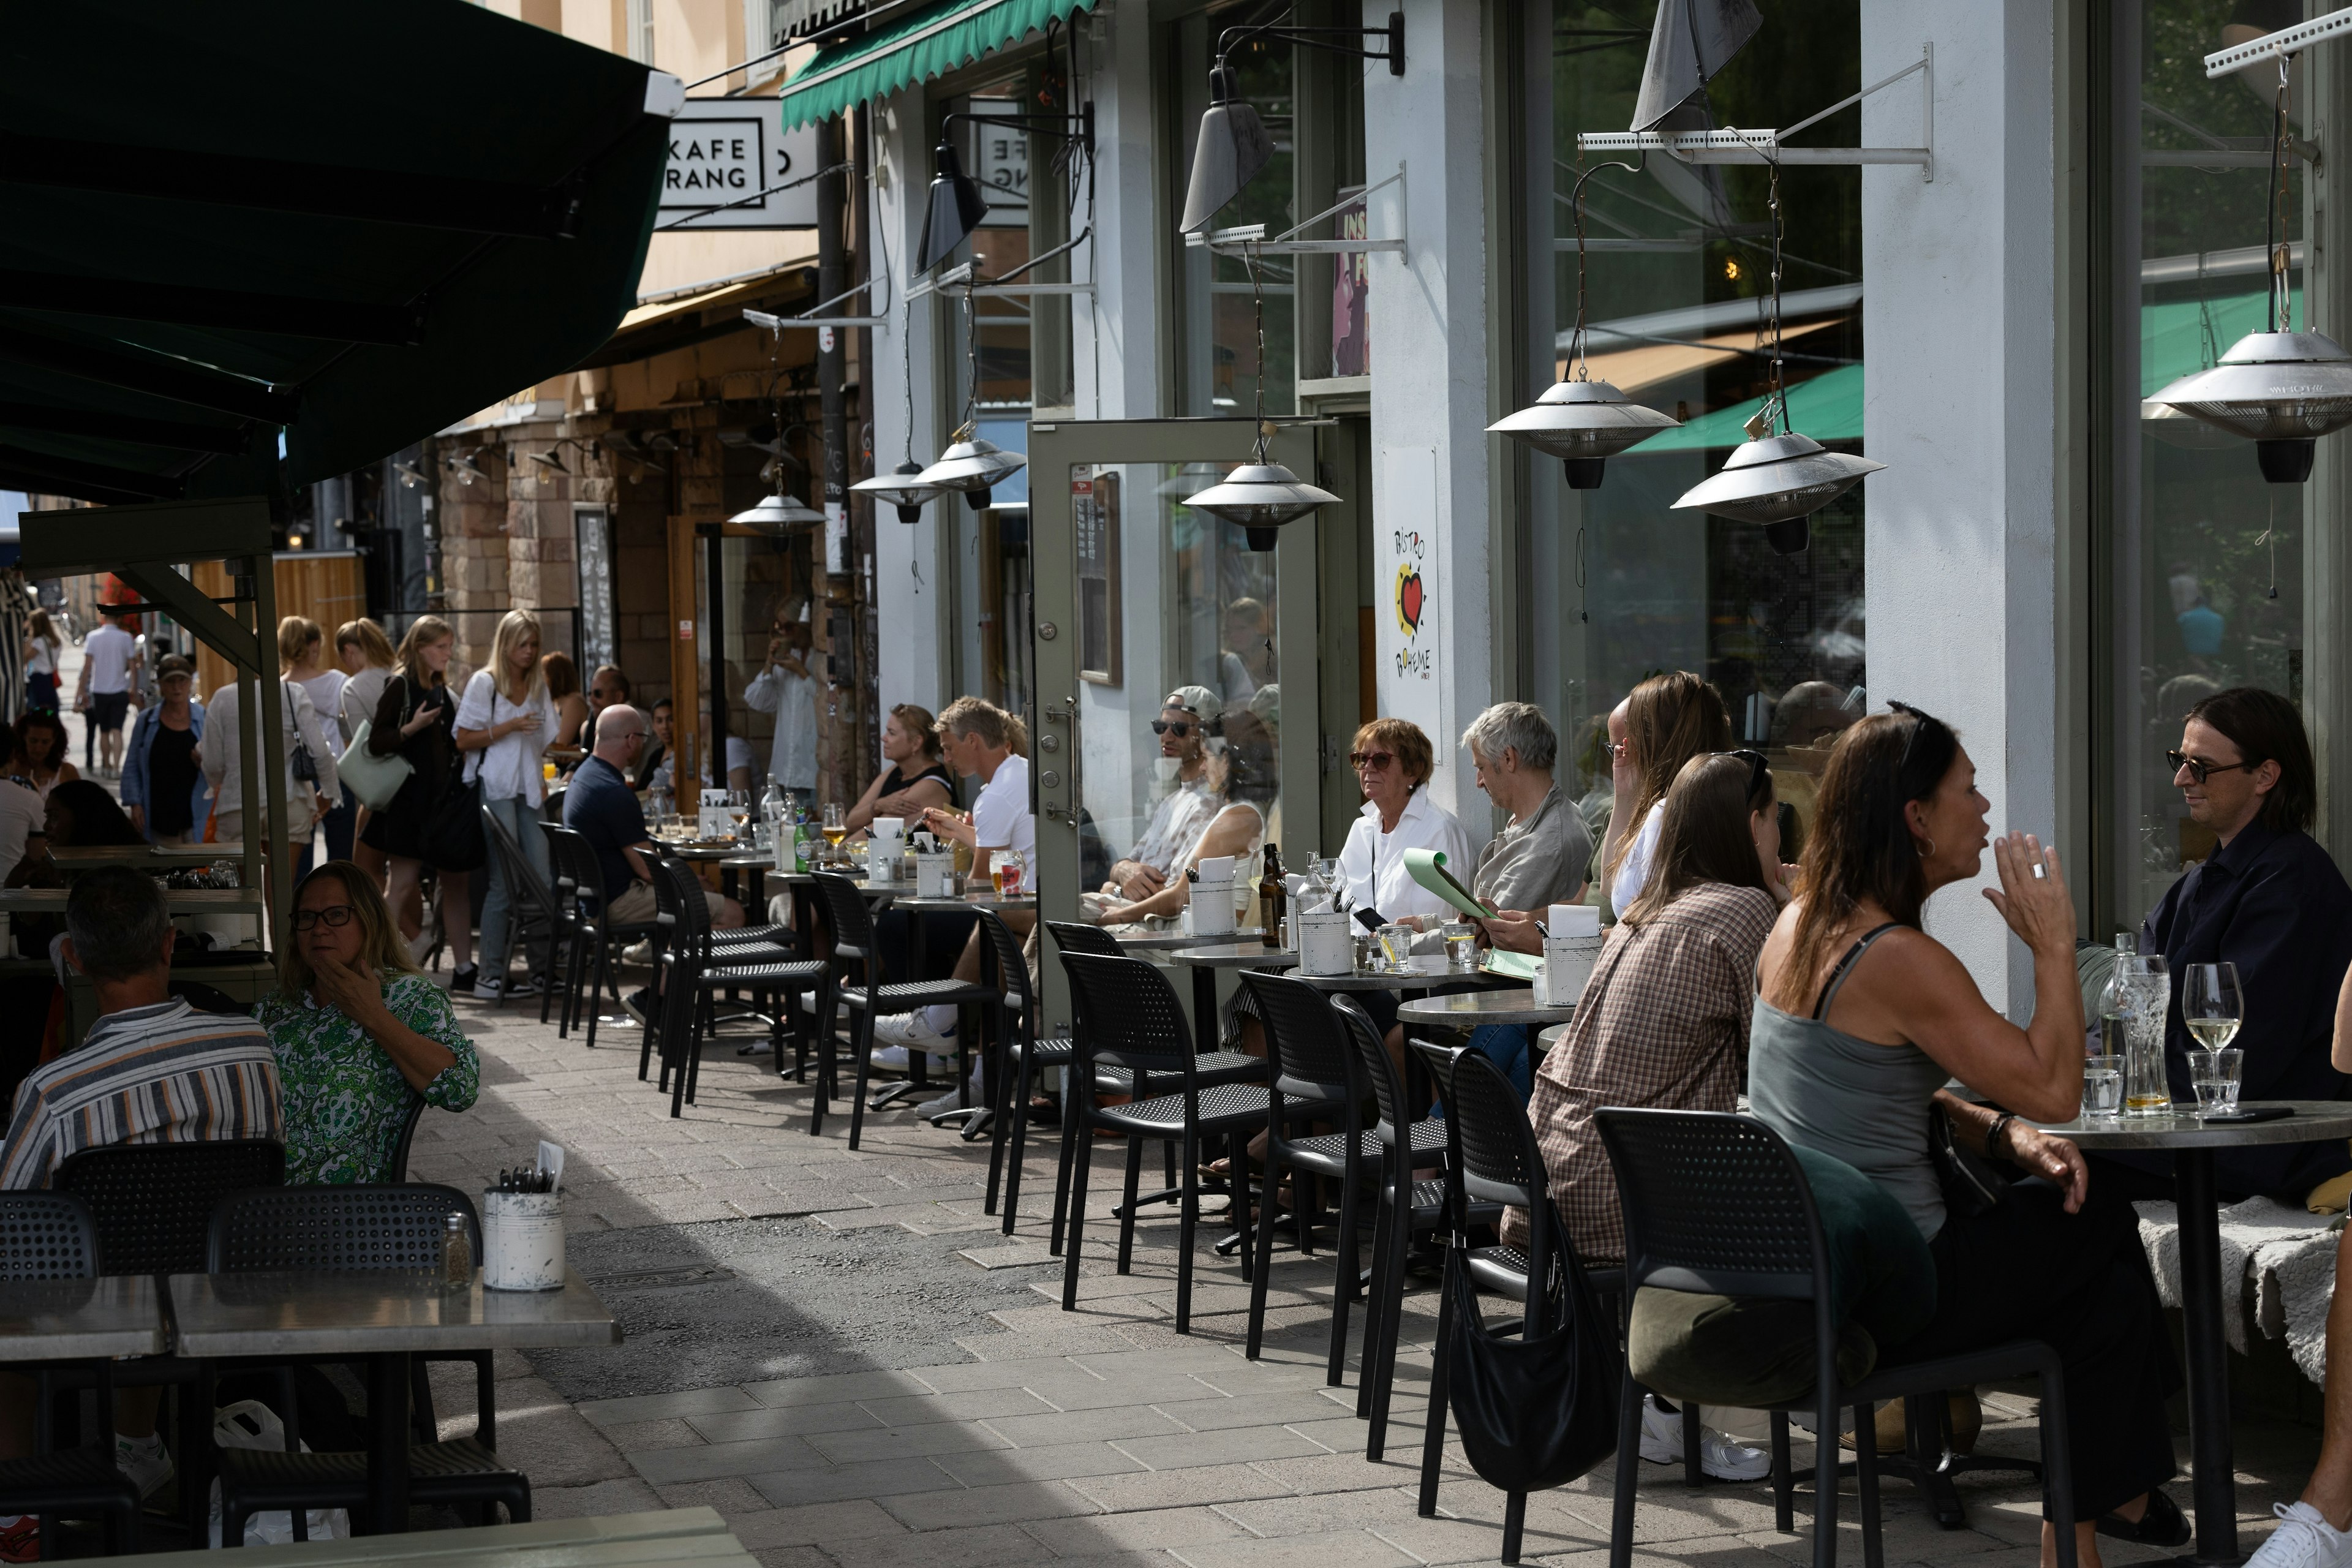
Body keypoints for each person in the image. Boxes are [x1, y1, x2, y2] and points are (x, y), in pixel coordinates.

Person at [1751, 704, 2183, 1564]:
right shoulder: (1898, 958)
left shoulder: (1800, 925)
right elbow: (2058, 1085)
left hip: (1806, 1266)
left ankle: (2098, 1521)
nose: (1985, 809)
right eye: (1968, 790)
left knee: (2094, 1282)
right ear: (1916, 817)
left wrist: (2003, 1134)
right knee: (2095, 1223)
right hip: (1895, 1287)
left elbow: (1875, 1089)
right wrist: (2054, 945)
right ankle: (2104, 1511)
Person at [1522, 751, 1781, 1477]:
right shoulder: (1746, 910)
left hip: (1555, 1178)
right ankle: (1705, 1409)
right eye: (1777, 824)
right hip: (1629, 1197)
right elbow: (1781, 1060)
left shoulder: (1647, 908)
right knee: (1809, 1204)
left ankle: (1667, 1405)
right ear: (1751, 825)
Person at [0, 867, 282, 1526]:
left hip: (102, 1313)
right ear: (170, 944)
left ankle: (13, 1509)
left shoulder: (54, 1091)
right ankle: (136, 1443)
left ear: (73, 957)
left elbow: (12, 1222)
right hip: (223, 1292)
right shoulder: (255, 1049)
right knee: (161, 1245)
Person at [2114, 687, 2352, 1204]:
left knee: (2031, 1161)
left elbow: (2243, 1057)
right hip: (2187, 1129)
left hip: (2252, 1147)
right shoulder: (2200, 884)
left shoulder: (2293, 884)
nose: (2181, 780)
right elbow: (2135, 1008)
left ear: (2265, 776)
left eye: (2201, 768)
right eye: (2180, 761)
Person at [256, 863, 479, 1185]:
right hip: (256, 1199)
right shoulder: (275, 1007)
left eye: (335, 915)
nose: (319, 929)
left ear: (369, 919)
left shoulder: (409, 997)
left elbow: (461, 1089)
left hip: (349, 1211)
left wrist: (374, 1016)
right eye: (307, 917)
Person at [873, 699, 1034, 1068]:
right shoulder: (1019, 772)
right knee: (992, 930)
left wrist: (939, 885)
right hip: (1027, 897)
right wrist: (961, 832)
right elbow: (1003, 851)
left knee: (971, 921)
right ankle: (975, 1076)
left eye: (948, 747)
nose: (946, 758)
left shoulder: (994, 796)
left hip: (1023, 903)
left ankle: (936, 1026)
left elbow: (980, 885)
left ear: (973, 740)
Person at [563, 706, 741, 1016]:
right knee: (733, 913)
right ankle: (661, 1002)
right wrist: (691, 882)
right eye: (643, 737)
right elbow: (647, 870)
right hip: (618, 900)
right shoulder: (614, 792)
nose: (644, 745)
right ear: (631, 740)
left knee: (690, 903)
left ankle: (664, 997)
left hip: (593, 898)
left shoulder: (584, 777)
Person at [361, 617, 475, 989]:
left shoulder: (441, 689)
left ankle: (464, 969)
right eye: (441, 647)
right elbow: (375, 742)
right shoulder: (400, 685)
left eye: (449, 646)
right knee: (402, 885)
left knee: (455, 884)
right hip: (409, 803)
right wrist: (414, 727)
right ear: (421, 648)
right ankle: (374, 961)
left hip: (442, 805)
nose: (448, 654)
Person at [454, 610, 561, 1001]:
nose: (530, 652)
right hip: (495, 788)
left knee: (542, 878)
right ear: (506, 644)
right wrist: (510, 727)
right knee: (504, 882)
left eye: (534, 645)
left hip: (528, 789)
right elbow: (463, 740)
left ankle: (542, 970)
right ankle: (491, 975)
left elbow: (547, 735)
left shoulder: (536, 684)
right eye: (523, 644)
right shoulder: (486, 683)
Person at [1095, 709, 1274, 927]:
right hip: (1189, 928)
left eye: (1207, 758)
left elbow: (1181, 896)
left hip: (1193, 934)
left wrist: (1118, 916)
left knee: (1078, 922)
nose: (1202, 767)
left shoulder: (1236, 819)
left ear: (1226, 761)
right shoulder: (1239, 813)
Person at [1603, 673, 1733, 919]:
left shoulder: (1667, 815)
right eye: (1615, 749)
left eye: (1626, 745)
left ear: (1653, 745)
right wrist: (1624, 794)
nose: (1621, 755)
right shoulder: (1668, 805)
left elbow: (1651, 923)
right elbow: (1612, 887)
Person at [1335, 718, 1474, 925]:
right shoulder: (1361, 829)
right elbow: (1338, 904)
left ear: (1413, 770)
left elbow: (1441, 925)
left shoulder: (1439, 830)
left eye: (1381, 760)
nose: (1369, 768)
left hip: (1416, 957)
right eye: (1361, 759)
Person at [200, 662, 339, 864]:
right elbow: (320, 750)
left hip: (237, 804)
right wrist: (328, 792)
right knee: (282, 889)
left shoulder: (222, 697)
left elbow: (213, 763)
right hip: (288, 801)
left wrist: (218, 784)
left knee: (243, 890)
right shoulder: (293, 693)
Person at [1096, 688, 1223, 905]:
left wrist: (1115, 889)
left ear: (1206, 734)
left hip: (1150, 918)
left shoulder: (1210, 804)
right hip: (1132, 910)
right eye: (1160, 727)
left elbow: (1177, 891)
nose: (1166, 736)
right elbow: (1127, 864)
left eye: (1179, 728)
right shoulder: (1170, 802)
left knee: (1059, 912)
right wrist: (1122, 871)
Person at [279, 617, 350, 870]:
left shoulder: (278, 689)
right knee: (343, 860)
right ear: (315, 645)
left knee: (298, 861)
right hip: (337, 772)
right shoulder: (337, 681)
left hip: (296, 778)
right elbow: (348, 728)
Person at [334, 617, 399, 884]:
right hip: (409, 782)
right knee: (402, 870)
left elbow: (365, 746)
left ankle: (386, 925)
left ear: (349, 650)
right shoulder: (399, 675)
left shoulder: (353, 687)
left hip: (377, 786)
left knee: (366, 869)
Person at [119, 657, 205, 844]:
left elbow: (220, 764)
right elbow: (132, 764)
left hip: (196, 813)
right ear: (161, 686)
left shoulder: (203, 718)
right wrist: (135, 803)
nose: (177, 687)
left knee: (198, 869)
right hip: (158, 812)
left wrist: (205, 763)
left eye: (182, 680)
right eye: (170, 681)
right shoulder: (147, 720)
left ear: (190, 682)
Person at [845, 702, 957, 836]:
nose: (883, 738)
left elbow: (877, 832)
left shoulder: (932, 784)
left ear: (916, 743)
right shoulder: (895, 771)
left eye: (891, 733)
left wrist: (833, 854)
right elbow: (850, 822)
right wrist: (878, 806)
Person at [747, 619, 817, 813]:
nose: (784, 633)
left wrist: (802, 672)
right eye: (779, 629)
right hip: (788, 764)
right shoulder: (786, 660)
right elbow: (757, 700)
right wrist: (770, 663)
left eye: (789, 628)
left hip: (814, 763)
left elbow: (827, 700)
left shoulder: (818, 658)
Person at [74, 605, 137, 780]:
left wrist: (81, 692)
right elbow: (133, 666)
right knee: (117, 730)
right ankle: (117, 768)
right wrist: (133, 687)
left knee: (104, 731)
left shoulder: (93, 637)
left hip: (99, 690)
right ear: (119, 618)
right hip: (119, 690)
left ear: (104, 618)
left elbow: (87, 666)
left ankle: (107, 765)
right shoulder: (125, 638)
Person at [6, 710, 77, 805]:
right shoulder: (11, 769)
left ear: (54, 741)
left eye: (45, 742)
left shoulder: (67, 772)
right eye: (33, 741)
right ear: (23, 737)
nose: (38, 748)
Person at [541, 652, 589, 763]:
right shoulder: (557, 703)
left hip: (571, 769)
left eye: (544, 675)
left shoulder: (572, 702)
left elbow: (561, 745)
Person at [582, 664, 634, 750]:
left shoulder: (634, 721)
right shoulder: (597, 713)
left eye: (598, 694)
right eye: (590, 694)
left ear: (618, 697)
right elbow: (586, 753)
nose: (591, 700)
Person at [18, 611, 58, 716]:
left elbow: (25, 659)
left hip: (39, 678)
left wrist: (25, 636)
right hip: (50, 677)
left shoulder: (39, 642)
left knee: (37, 708)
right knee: (50, 708)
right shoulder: (55, 640)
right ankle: (51, 725)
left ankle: (41, 727)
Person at [634, 696, 674, 793]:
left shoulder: (683, 755)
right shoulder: (655, 756)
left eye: (671, 720)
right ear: (653, 726)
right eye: (659, 721)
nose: (665, 727)